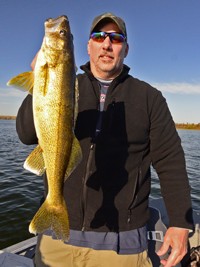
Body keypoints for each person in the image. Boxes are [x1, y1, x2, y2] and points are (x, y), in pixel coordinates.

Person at [16, 13, 194, 267]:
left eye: (116, 38)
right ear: (88, 46)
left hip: (123, 245)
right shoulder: (68, 83)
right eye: (99, 36)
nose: (107, 44)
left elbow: (170, 162)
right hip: (57, 240)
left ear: (126, 49)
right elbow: (25, 135)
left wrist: (179, 223)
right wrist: (39, 79)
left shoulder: (149, 98)